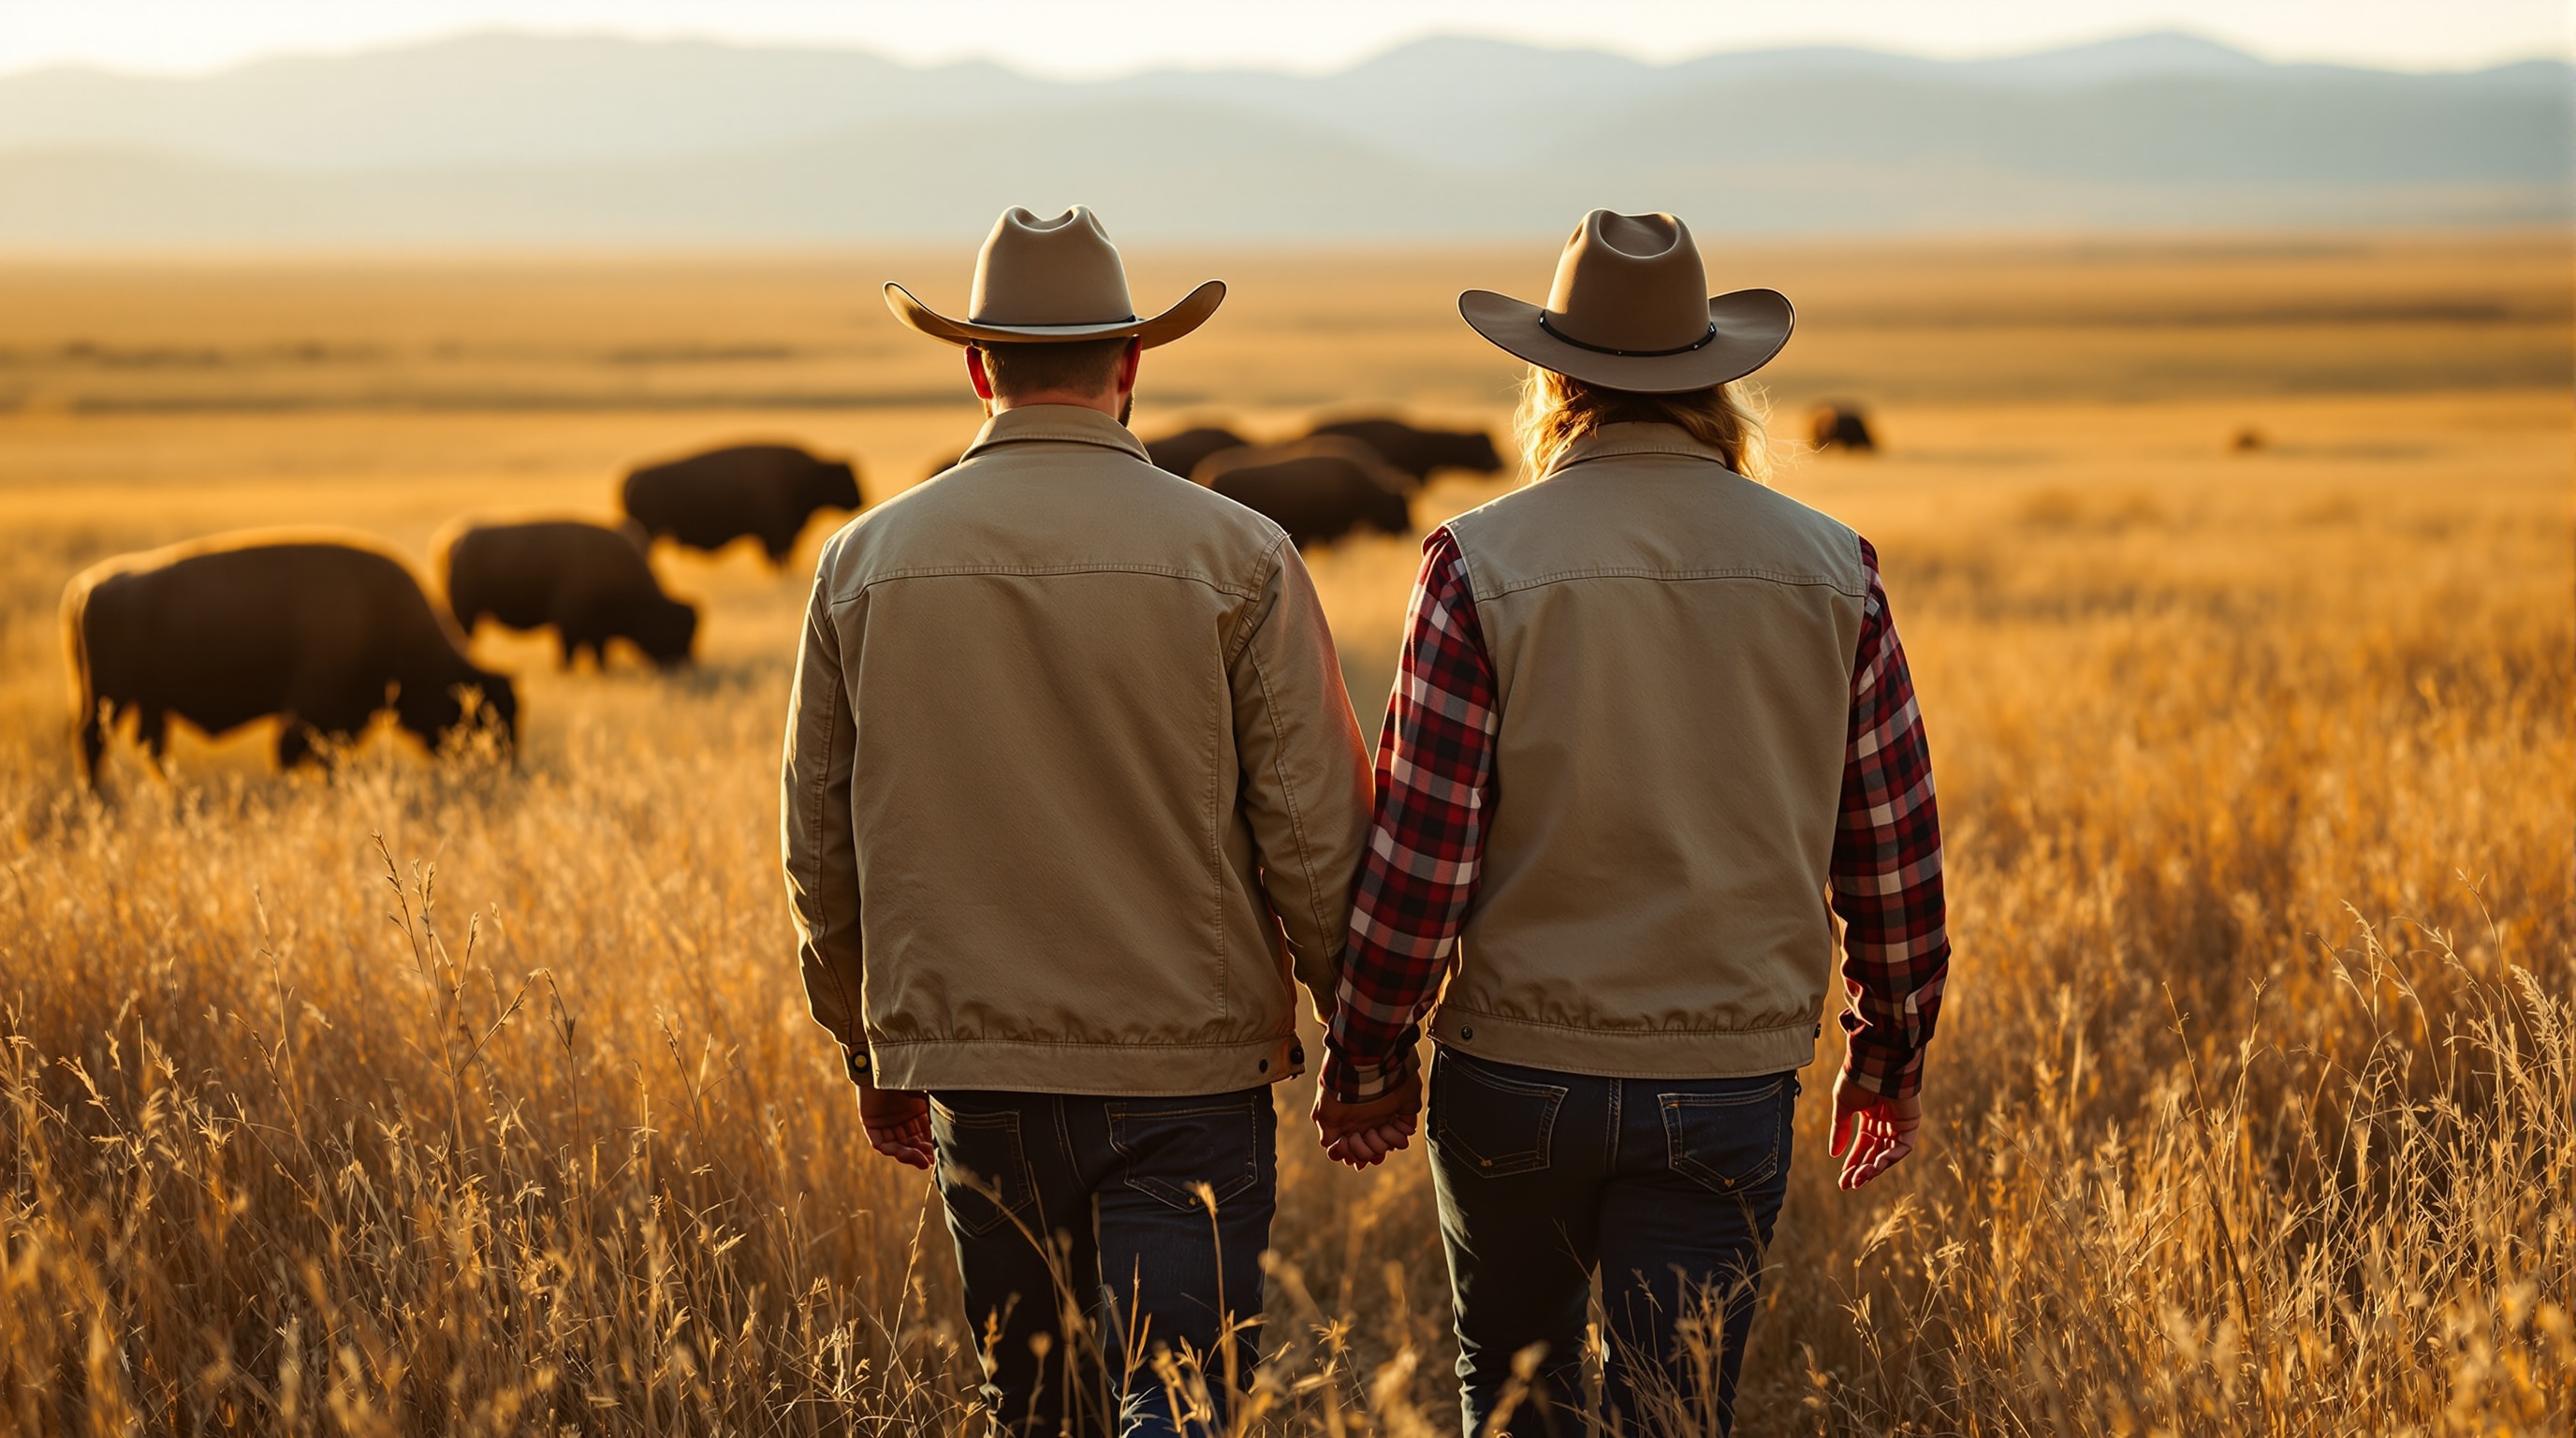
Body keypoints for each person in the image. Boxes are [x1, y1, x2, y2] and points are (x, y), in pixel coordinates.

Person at [1310, 210, 1951, 1436]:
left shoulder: (1474, 561)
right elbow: (1891, 856)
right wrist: (1886, 1059)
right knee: (1675, 1409)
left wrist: (1371, 1058)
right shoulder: (1836, 568)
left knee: (1513, 1400)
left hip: (1514, 1070)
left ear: (1552, 380)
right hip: (1726, 1072)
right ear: (1719, 386)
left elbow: (1423, 859)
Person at [782, 206, 1374, 1437]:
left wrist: (867, 1042)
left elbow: (821, 846)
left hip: (975, 1060)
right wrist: (1364, 1038)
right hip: (1189, 1064)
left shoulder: (862, 562)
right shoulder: (1243, 555)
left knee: (1035, 1403)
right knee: (1181, 1399)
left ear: (975, 365)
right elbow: (1313, 839)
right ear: (1133, 362)